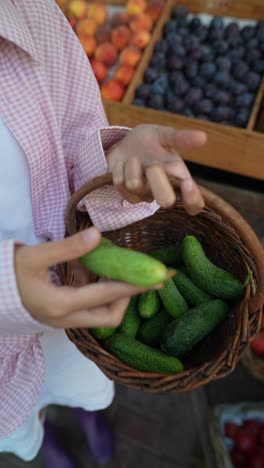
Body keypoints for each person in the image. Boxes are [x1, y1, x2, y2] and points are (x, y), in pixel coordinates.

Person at [0, 0, 207, 466]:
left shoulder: (27, 9)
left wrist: (115, 160)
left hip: (82, 292)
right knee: (20, 414)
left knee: (79, 376)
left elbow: (75, 130)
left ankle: (87, 411)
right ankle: (42, 436)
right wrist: (6, 289)